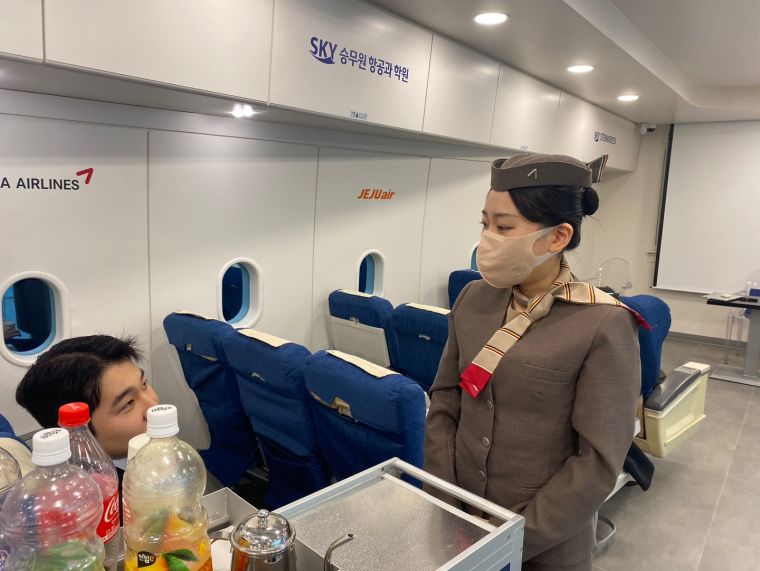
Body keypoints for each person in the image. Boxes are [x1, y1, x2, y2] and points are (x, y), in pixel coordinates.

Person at [424, 153, 643, 571]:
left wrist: (511, 539)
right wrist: (446, 501)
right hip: (458, 519)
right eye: (485, 224)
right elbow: (445, 401)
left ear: (557, 237)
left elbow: (597, 462)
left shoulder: (603, 324)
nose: (488, 238)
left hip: (546, 543)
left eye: (504, 227)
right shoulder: (473, 298)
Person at [15, 335, 159, 463]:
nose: (154, 407)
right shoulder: (97, 484)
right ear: (77, 435)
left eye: (144, 384)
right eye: (129, 403)